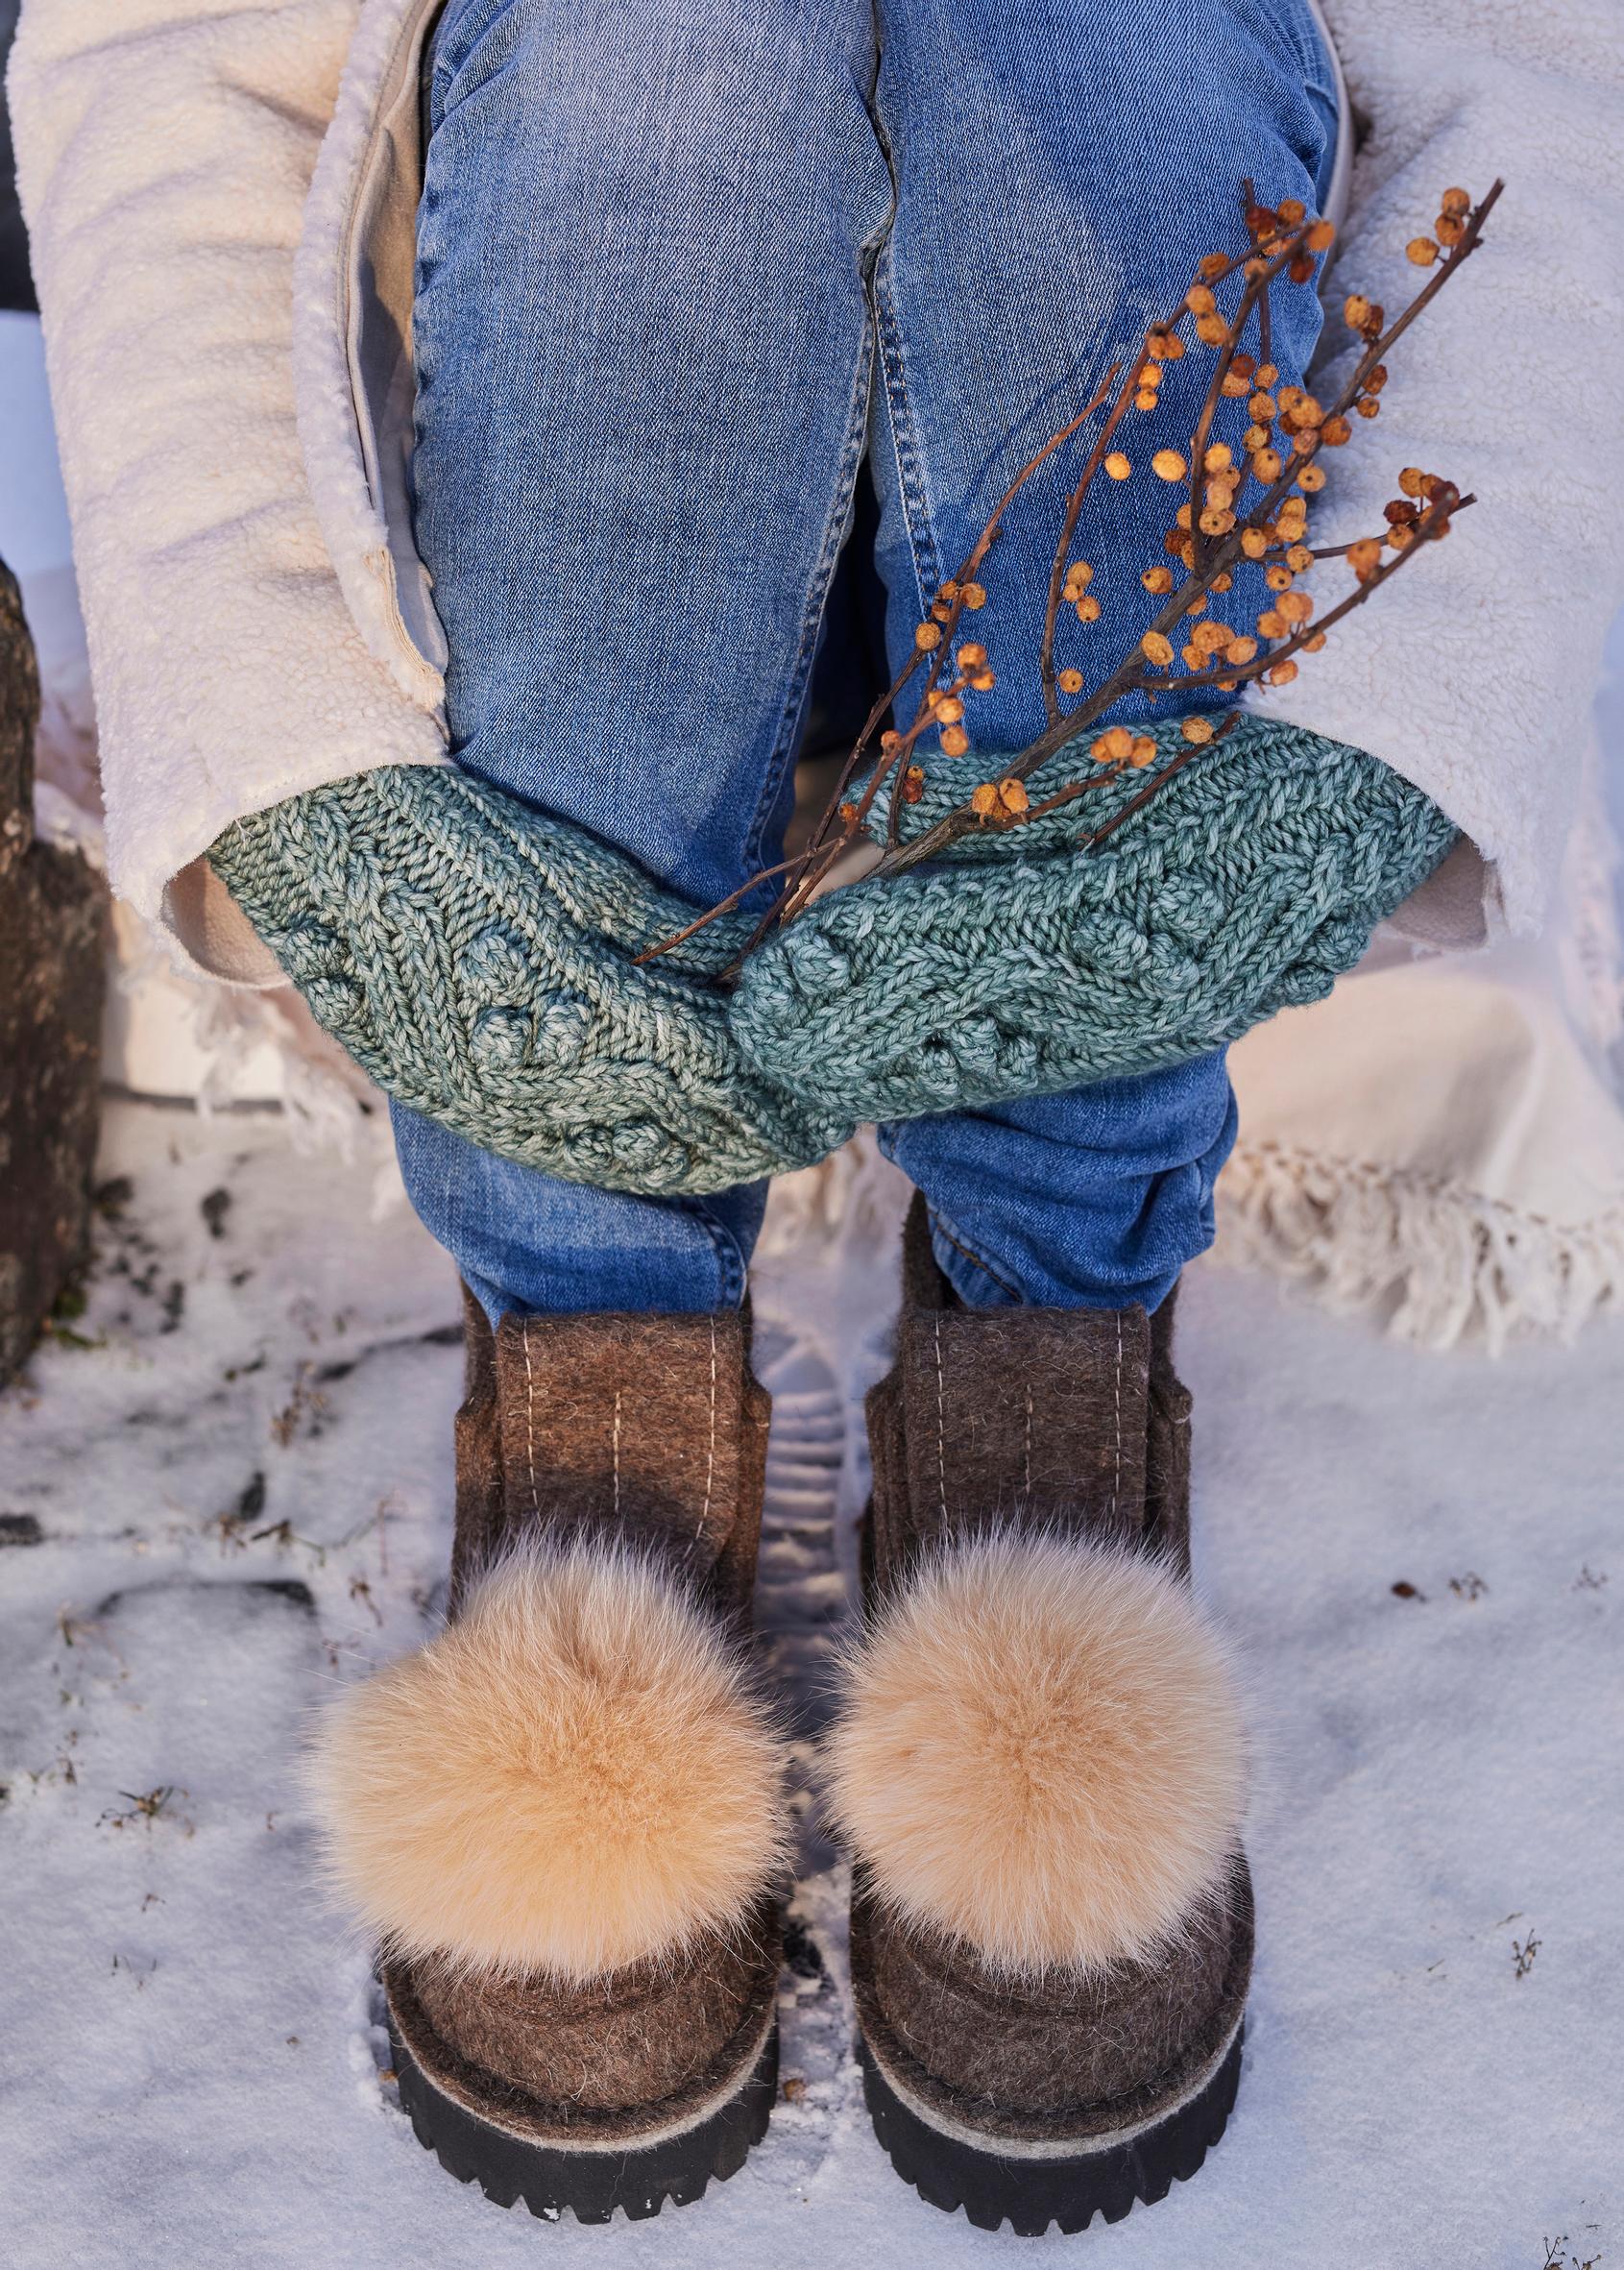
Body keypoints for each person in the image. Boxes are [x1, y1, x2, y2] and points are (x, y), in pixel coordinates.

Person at [24, 0, 1600, 2233]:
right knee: (654, 45)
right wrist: (288, 756)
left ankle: (1044, 1401)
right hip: (586, 476)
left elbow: (1541, 68)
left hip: (1154, 442)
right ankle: (596, 1388)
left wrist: (1384, 732)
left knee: (1113, 37)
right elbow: (171, 49)